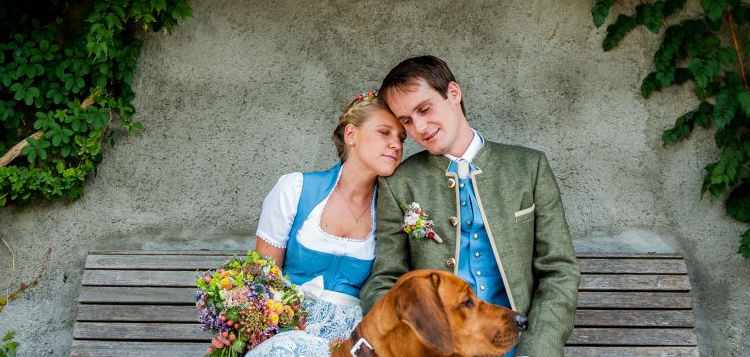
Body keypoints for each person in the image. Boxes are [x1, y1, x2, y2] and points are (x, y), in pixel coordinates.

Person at [360, 56, 580, 357]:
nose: (420, 127)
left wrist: (537, 350)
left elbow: (559, 271)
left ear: (453, 93)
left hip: (516, 342)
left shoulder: (529, 167)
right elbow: (386, 277)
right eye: (406, 121)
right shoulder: (400, 182)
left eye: (424, 109)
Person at [246, 91, 406, 356]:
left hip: (350, 338)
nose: (396, 145)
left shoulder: (392, 213)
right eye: (384, 132)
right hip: (285, 330)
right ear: (351, 135)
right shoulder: (295, 189)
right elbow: (263, 281)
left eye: (401, 138)